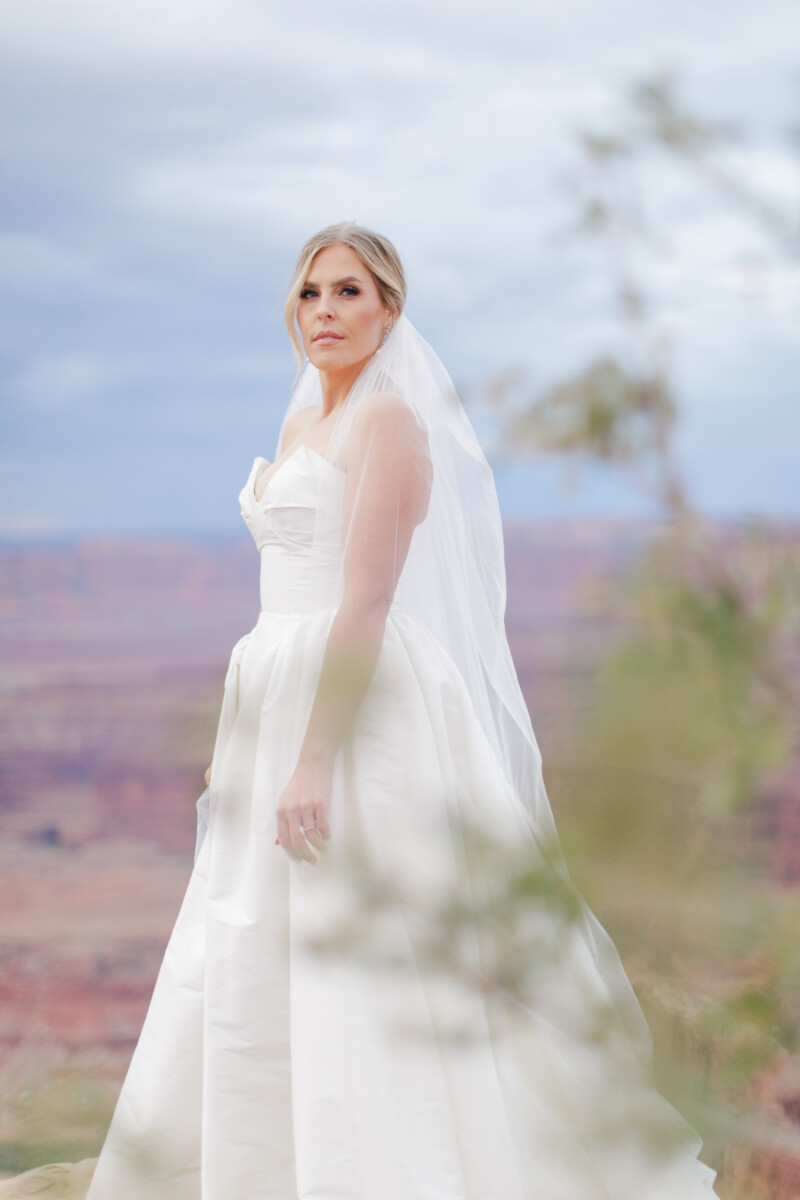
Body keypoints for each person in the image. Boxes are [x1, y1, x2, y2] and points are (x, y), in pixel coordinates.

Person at [84, 223, 718, 1199]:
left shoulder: (387, 425)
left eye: (347, 293)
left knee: (365, 949)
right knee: (255, 937)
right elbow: (275, 607)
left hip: (353, 705)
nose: (324, 314)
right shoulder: (302, 427)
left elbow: (367, 601)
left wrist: (309, 761)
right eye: (309, 295)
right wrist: (238, 746)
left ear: (387, 309)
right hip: (273, 692)